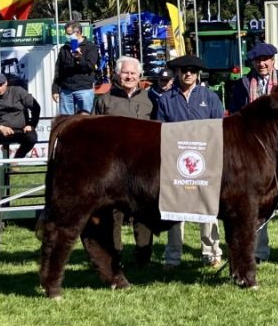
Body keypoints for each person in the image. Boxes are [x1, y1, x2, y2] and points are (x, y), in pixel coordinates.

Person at [229, 42, 278, 265]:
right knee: (257, 202)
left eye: (266, 59)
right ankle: (259, 251)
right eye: (257, 60)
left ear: (273, 60)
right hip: (255, 156)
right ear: (252, 62)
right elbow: (236, 117)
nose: (262, 64)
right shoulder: (243, 84)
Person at [156, 55, 225, 269]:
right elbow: (158, 130)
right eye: (184, 70)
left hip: (205, 162)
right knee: (174, 211)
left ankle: (212, 253)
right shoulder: (165, 99)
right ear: (177, 72)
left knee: (208, 209)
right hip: (175, 163)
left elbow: (219, 129)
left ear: (197, 74)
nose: (188, 74)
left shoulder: (210, 97)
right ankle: (172, 256)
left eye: (192, 70)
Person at [93, 56, 156, 267]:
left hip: (143, 167)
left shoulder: (150, 99)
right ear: (117, 74)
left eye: (133, 73)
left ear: (139, 76)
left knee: (144, 212)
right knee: (113, 213)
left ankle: (144, 257)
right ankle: (114, 257)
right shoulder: (104, 100)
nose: (129, 76)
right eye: (125, 73)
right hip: (114, 168)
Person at [0, 73, 40, 175]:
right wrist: (0, 127)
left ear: (6, 83)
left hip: (21, 131)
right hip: (1, 132)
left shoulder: (18, 91)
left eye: (1, 85)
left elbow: (36, 107)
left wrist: (31, 124)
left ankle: (16, 161)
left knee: (32, 137)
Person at [51, 21, 99, 115]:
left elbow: (89, 67)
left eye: (69, 33)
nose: (67, 36)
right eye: (66, 33)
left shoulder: (90, 47)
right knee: (66, 121)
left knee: (85, 120)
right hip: (66, 91)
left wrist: (79, 58)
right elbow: (58, 70)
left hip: (84, 89)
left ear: (78, 33)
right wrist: (55, 89)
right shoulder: (64, 49)